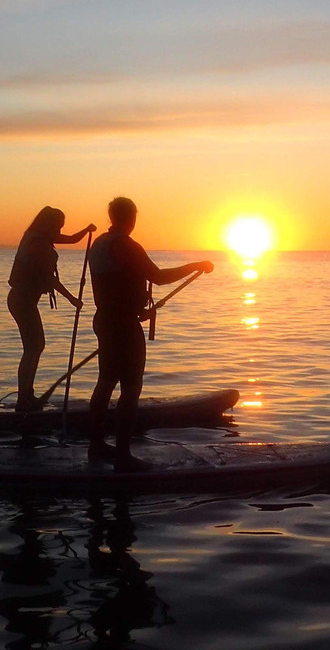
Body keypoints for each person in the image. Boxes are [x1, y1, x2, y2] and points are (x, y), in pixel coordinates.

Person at [87, 197, 213, 471]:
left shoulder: (98, 245)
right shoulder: (126, 245)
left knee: (106, 382)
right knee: (131, 388)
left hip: (105, 319)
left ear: (111, 216)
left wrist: (135, 305)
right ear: (131, 218)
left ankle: (95, 447)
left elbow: (115, 284)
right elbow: (157, 276)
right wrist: (195, 265)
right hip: (122, 325)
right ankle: (122, 456)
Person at [8, 207, 95, 412]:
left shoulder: (40, 237)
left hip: (25, 301)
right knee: (33, 348)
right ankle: (24, 399)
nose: (60, 229)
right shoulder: (37, 244)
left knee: (36, 346)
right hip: (22, 301)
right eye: (58, 225)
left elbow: (73, 239)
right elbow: (50, 279)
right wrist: (73, 299)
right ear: (48, 224)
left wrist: (87, 230)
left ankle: (27, 394)